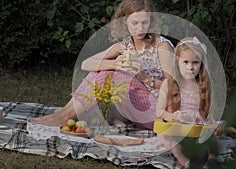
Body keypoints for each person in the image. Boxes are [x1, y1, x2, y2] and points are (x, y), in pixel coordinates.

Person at [29, 0, 174, 129]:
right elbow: (86, 63)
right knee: (105, 70)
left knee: (112, 74)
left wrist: (143, 77)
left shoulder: (161, 46)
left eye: (145, 22)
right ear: (125, 22)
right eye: (134, 23)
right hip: (133, 109)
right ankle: (64, 114)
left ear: (151, 21)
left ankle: (64, 116)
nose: (140, 28)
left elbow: (175, 88)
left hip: (159, 112)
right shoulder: (125, 46)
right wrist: (115, 63)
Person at [155, 36, 223, 167]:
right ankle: (186, 163)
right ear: (177, 62)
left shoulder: (203, 86)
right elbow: (159, 111)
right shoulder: (168, 84)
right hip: (176, 128)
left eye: (195, 63)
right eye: (185, 62)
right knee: (174, 142)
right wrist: (171, 116)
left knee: (209, 139)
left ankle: (211, 162)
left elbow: (206, 112)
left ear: (201, 64)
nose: (190, 67)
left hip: (196, 126)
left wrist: (213, 125)